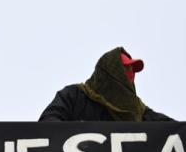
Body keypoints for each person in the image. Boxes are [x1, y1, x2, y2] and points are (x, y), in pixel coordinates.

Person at [39, 47, 174, 122]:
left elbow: (168, 130)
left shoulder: (137, 110)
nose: (131, 74)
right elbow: (49, 124)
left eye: (132, 70)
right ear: (111, 72)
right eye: (126, 69)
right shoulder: (74, 96)